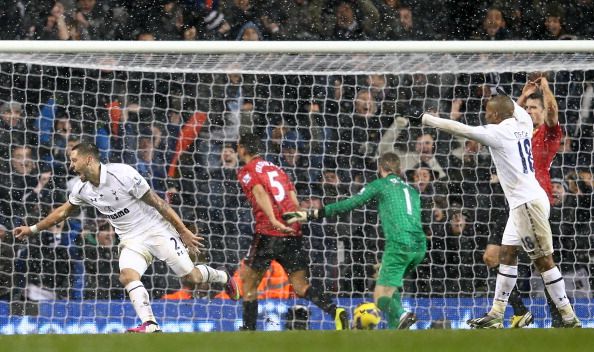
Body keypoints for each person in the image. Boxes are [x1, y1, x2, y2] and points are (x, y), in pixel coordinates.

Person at [13, 142, 239, 333]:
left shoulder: (123, 174)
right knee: (127, 275)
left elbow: (159, 203)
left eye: (74, 160)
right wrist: (32, 229)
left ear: (89, 159)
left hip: (156, 230)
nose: (71, 166)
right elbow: (62, 211)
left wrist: (182, 230)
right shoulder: (82, 189)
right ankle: (149, 323)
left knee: (192, 277)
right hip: (131, 240)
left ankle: (222, 276)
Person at [420, 94, 581, 328]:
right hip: (526, 201)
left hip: (527, 204)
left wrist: (427, 119)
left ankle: (568, 316)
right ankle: (496, 313)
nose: (485, 115)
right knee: (506, 254)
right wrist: (518, 96)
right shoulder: (524, 123)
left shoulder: (497, 133)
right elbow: (510, 105)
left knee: (543, 261)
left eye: (487, 111)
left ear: (495, 114)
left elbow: (461, 128)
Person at [283, 152, 426, 330]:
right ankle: (395, 331)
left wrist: (314, 213)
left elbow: (351, 203)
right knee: (390, 286)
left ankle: (403, 314)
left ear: (381, 168)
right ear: (399, 169)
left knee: (381, 296)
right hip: (420, 245)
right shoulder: (411, 190)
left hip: (399, 243)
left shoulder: (380, 184)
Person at [235, 133, 348, 331]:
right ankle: (334, 310)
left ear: (242, 149)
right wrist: (294, 221)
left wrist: (272, 220)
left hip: (268, 232)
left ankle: (248, 330)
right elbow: (294, 201)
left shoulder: (247, 170)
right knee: (301, 286)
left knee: (249, 284)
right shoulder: (278, 169)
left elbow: (260, 192)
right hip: (292, 231)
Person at [481, 77, 564, 328]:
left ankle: (559, 317)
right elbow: (505, 117)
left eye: (533, 108)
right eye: (526, 109)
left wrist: (545, 88)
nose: (528, 112)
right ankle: (519, 311)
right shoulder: (520, 131)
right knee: (493, 256)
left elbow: (552, 113)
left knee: (541, 261)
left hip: (535, 201)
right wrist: (521, 98)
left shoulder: (548, 135)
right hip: (513, 202)